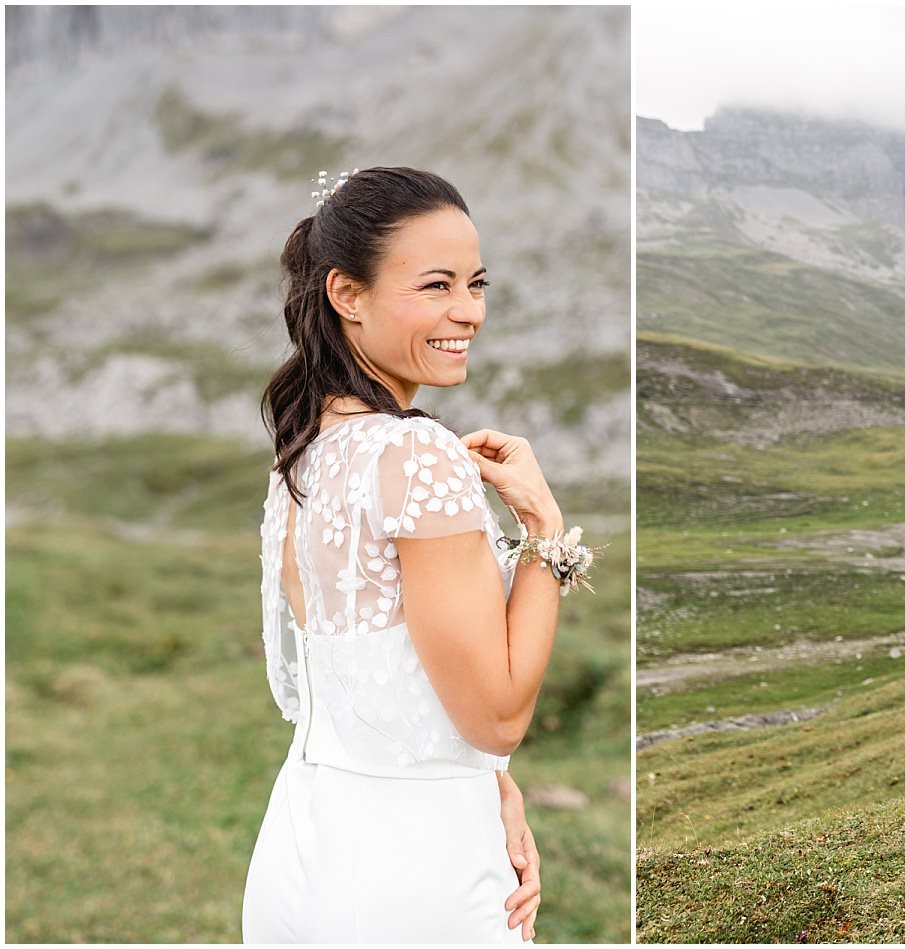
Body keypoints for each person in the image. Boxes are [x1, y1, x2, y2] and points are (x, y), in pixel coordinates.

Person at [243, 167, 594, 941]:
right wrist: (543, 525)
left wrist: (492, 787)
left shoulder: (301, 454)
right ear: (348, 294)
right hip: (419, 867)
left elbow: (374, 681)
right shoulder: (416, 455)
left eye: (476, 283)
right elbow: (496, 715)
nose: (466, 311)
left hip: (301, 836)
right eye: (435, 286)